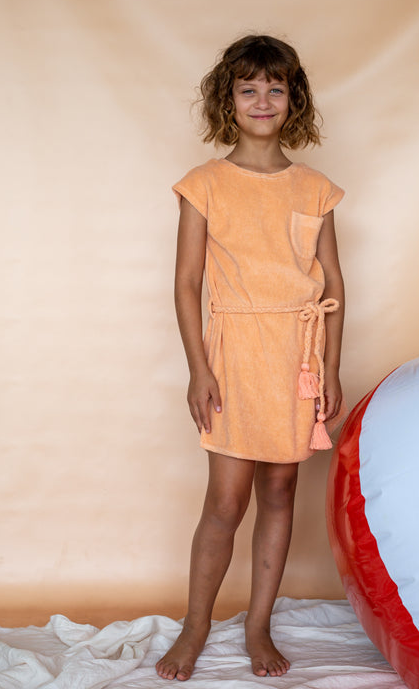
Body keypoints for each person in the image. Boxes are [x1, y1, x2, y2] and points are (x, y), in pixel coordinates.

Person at [156, 34, 345, 681]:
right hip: (234, 354)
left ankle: (258, 623)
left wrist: (330, 369)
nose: (262, 100)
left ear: (293, 99)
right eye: (247, 89)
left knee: (280, 490)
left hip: (296, 356)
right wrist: (198, 369)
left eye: (275, 88)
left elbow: (333, 285)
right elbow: (186, 282)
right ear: (227, 100)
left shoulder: (315, 189)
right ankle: (196, 624)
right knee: (225, 500)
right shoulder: (204, 185)